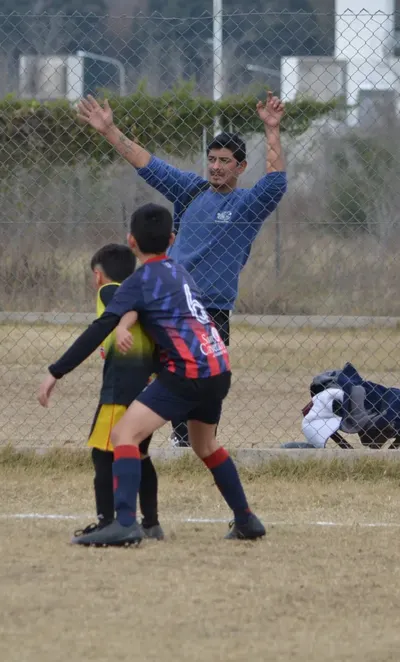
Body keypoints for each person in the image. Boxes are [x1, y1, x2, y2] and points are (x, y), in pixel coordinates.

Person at [38, 203, 266, 547]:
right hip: (218, 366)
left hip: (188, 372)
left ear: (132, 241)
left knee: (123, 435)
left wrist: (56, 372)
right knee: (205, 445)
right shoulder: (180, 271)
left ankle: (126, 523)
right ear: (172, 240)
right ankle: (247, 519)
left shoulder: (140, 280)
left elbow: (102, 326)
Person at [76, 91, 289, 448]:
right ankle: (160, 438)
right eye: (212, 159)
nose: (217, 166)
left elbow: (276, 183)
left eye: (225, 161)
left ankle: (196, 442)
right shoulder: (191, 191)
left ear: (240, 167)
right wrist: (110, 131)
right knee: (164, 372)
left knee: (207, 381)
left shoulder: (247, 207)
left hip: (214, 310)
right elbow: (148, 164)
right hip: (174, 302)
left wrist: (272, 130)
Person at [76, 243, 164, 541]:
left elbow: (131, 306)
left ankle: (108, 523)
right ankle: (151, 523)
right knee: (138, 454)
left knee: (103, 456)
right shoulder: (145, 293)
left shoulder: (110, 291)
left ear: (98, 276)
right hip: (146, 390)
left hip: (120, 392)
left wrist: (122, 327)